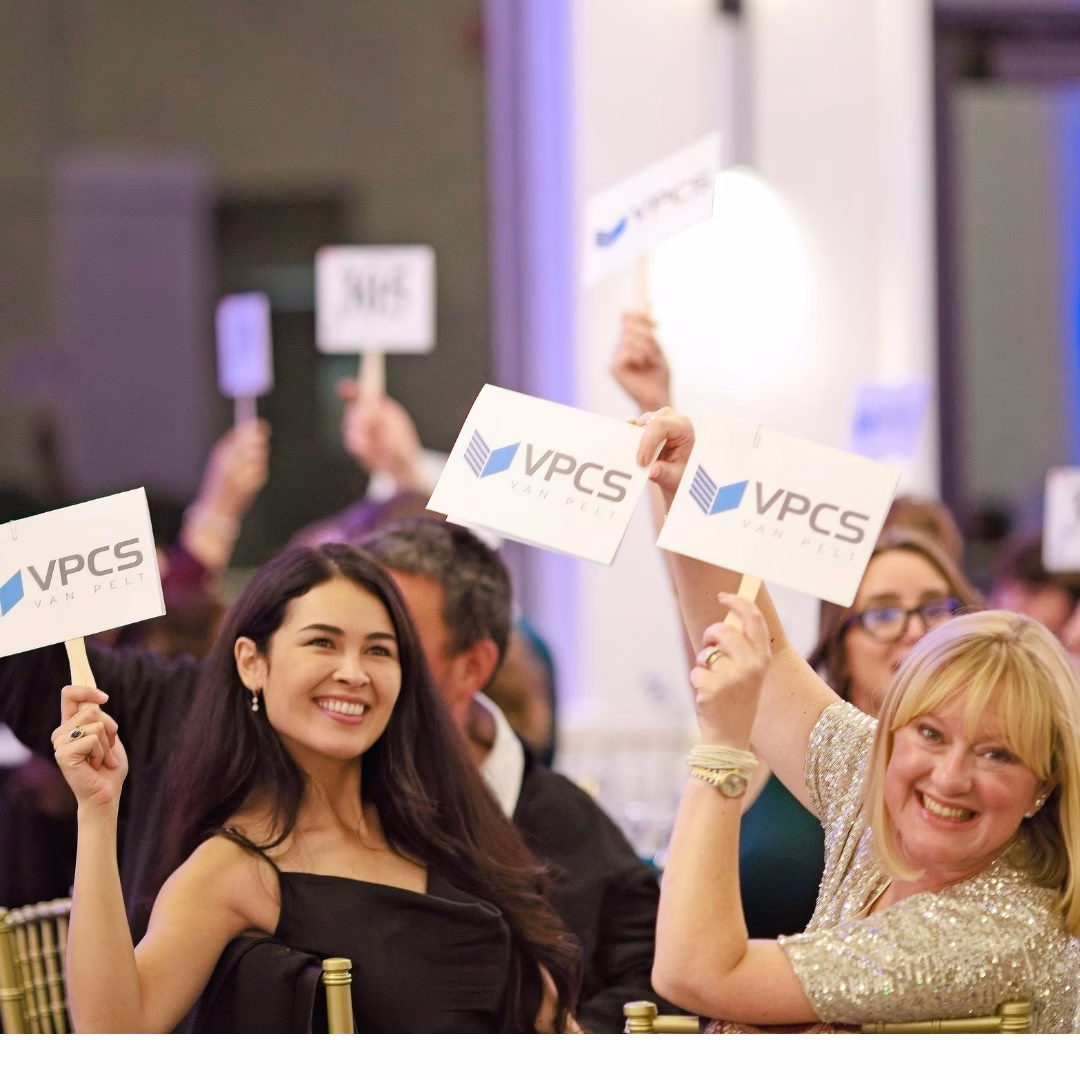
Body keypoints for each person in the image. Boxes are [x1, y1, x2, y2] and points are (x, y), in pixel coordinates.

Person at [636, 409, 1080, 1032]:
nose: (949, 777)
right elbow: (773, 664)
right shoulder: (881, 780)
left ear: (1045, 784)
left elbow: (697, 974)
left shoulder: (1000, 933)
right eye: (931, 733)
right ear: (891, 734)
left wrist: (721, 747)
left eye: (997, 754)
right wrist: (691, 492)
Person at [51, 544, 580, 1033]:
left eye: (378, 650)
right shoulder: (233, 869)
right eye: (322, 643)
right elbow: (112, 1032)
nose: (353, 673)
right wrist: (97, 812)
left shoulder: (445, 825)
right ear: (251, 663)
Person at [356, 519, 665, 1033]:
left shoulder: (570, 828)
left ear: (471, 667)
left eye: (387, 644)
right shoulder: (308, 801)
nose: (358, 669)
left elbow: (657, 984)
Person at [611, 311, 823, 939]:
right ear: (845, 624)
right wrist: (678, 479)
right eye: (885, 610)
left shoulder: (914, 777)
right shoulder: (827, 747)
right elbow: (728, 635)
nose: (908, 629)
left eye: (937, 610)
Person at [808, 528, 985, 718]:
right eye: (884, 615)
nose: (916, 632)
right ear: (840, 654)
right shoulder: (791, 746)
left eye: (934, 609)